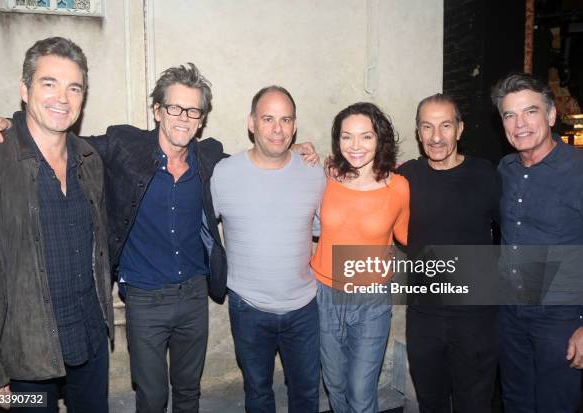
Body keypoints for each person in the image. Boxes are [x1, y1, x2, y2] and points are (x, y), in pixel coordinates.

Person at [0, 66, 318, 413]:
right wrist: (9, 124)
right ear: (157, 111)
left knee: (188, 392)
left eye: (193, 110)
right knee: (151, 397)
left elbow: (260, 160)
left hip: (195, 296)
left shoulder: (210, 159)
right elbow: (56, 134)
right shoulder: (124, 147)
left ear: (201, 119)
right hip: (144, 299)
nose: (183, 118)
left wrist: (292, 148)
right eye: (174, 108)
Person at [0, 37, 113, 412]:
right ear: (24, 90)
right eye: (48, 83)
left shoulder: (89, 161)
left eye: (74, 87)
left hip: (89, 342)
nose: (62, 98)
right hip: (21, 357)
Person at [210, 85, 325, 412]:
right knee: (258, 394)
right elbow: (202, 227)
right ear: (252, 123)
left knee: (306, 395)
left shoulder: (313, 171)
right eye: (268, 119)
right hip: (248, 309)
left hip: (304, 308)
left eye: (285, 120)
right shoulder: (225, 174)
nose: (278, 129)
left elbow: (320, 228)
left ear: (295, 125)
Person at [397, 94, 499, 412]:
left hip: (477, 320)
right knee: (431, 403)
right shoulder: (406, 177)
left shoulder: (487, 175)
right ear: (418, 132)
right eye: (427, 127)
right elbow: (359, 174)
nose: (436, 136)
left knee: (474, 405)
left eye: (445, 125)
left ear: (460, 129)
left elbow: (518, 233)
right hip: (424, 318)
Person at [491, 73, 583, 412]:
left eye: (530, 111)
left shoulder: (578, 170)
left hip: (562, 318)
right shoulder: (506, 168)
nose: (520, 124)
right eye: (509, 115)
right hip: (510, 313)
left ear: (551, 115)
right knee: (515, 400)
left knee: (554, 405)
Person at [310, 102, 409, 412]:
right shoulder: (326, 178)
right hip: (325, 294)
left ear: (380, 139)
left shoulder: (399, 187)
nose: (355, 146)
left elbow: (408, 236)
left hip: (371, 299)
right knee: (335, 384)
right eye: (346, 136)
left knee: (360, 390)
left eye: (366, 137)